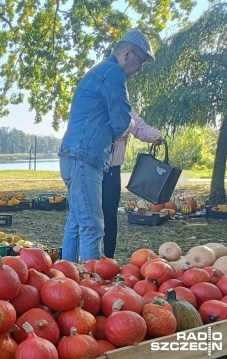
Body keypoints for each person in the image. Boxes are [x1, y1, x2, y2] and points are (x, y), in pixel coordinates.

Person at [58, 29, 155, 262]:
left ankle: (65, 278)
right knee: (92, 225)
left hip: (72, 155)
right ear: (127, 53)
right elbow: (122, 121)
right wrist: (128, 124)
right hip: (85, 156)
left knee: (76, 222)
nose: (140, 69)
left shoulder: (98, 71)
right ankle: (94, 287)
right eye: (141, 61)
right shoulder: (113, 72)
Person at [102, 110, 162, 258]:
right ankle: (85, 260)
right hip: (91, 169)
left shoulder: (125, 107)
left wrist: (155, 136)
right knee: (89, 217)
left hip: (112, 171)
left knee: (110, 217)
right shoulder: (97, 102)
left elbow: (139, 127)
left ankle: (109, 258)